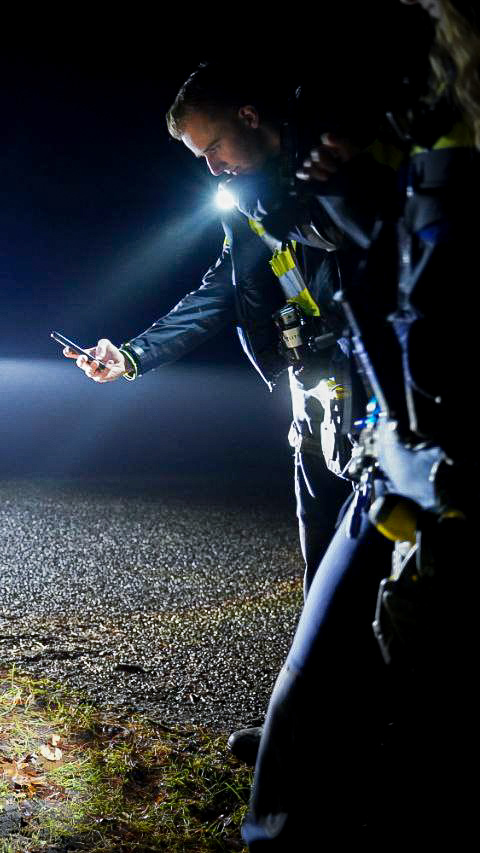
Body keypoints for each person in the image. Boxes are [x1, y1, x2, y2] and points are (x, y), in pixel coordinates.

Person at [63, 62, 375, 761]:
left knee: (383, 577)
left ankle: (358, 736)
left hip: (378, 408)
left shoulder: (338, 166)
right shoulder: (249, 203)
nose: (213, 170)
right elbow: (220, 294)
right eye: (199, 160)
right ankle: (308, 733)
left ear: (250, 117)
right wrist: (132, 354)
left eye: (214, 151)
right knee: (320, 573)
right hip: (315, 411)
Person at [243, 2, 477, 846]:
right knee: (321, 668)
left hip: (439, 465)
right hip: (400, 455)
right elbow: (394, 293)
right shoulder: (409, 146)